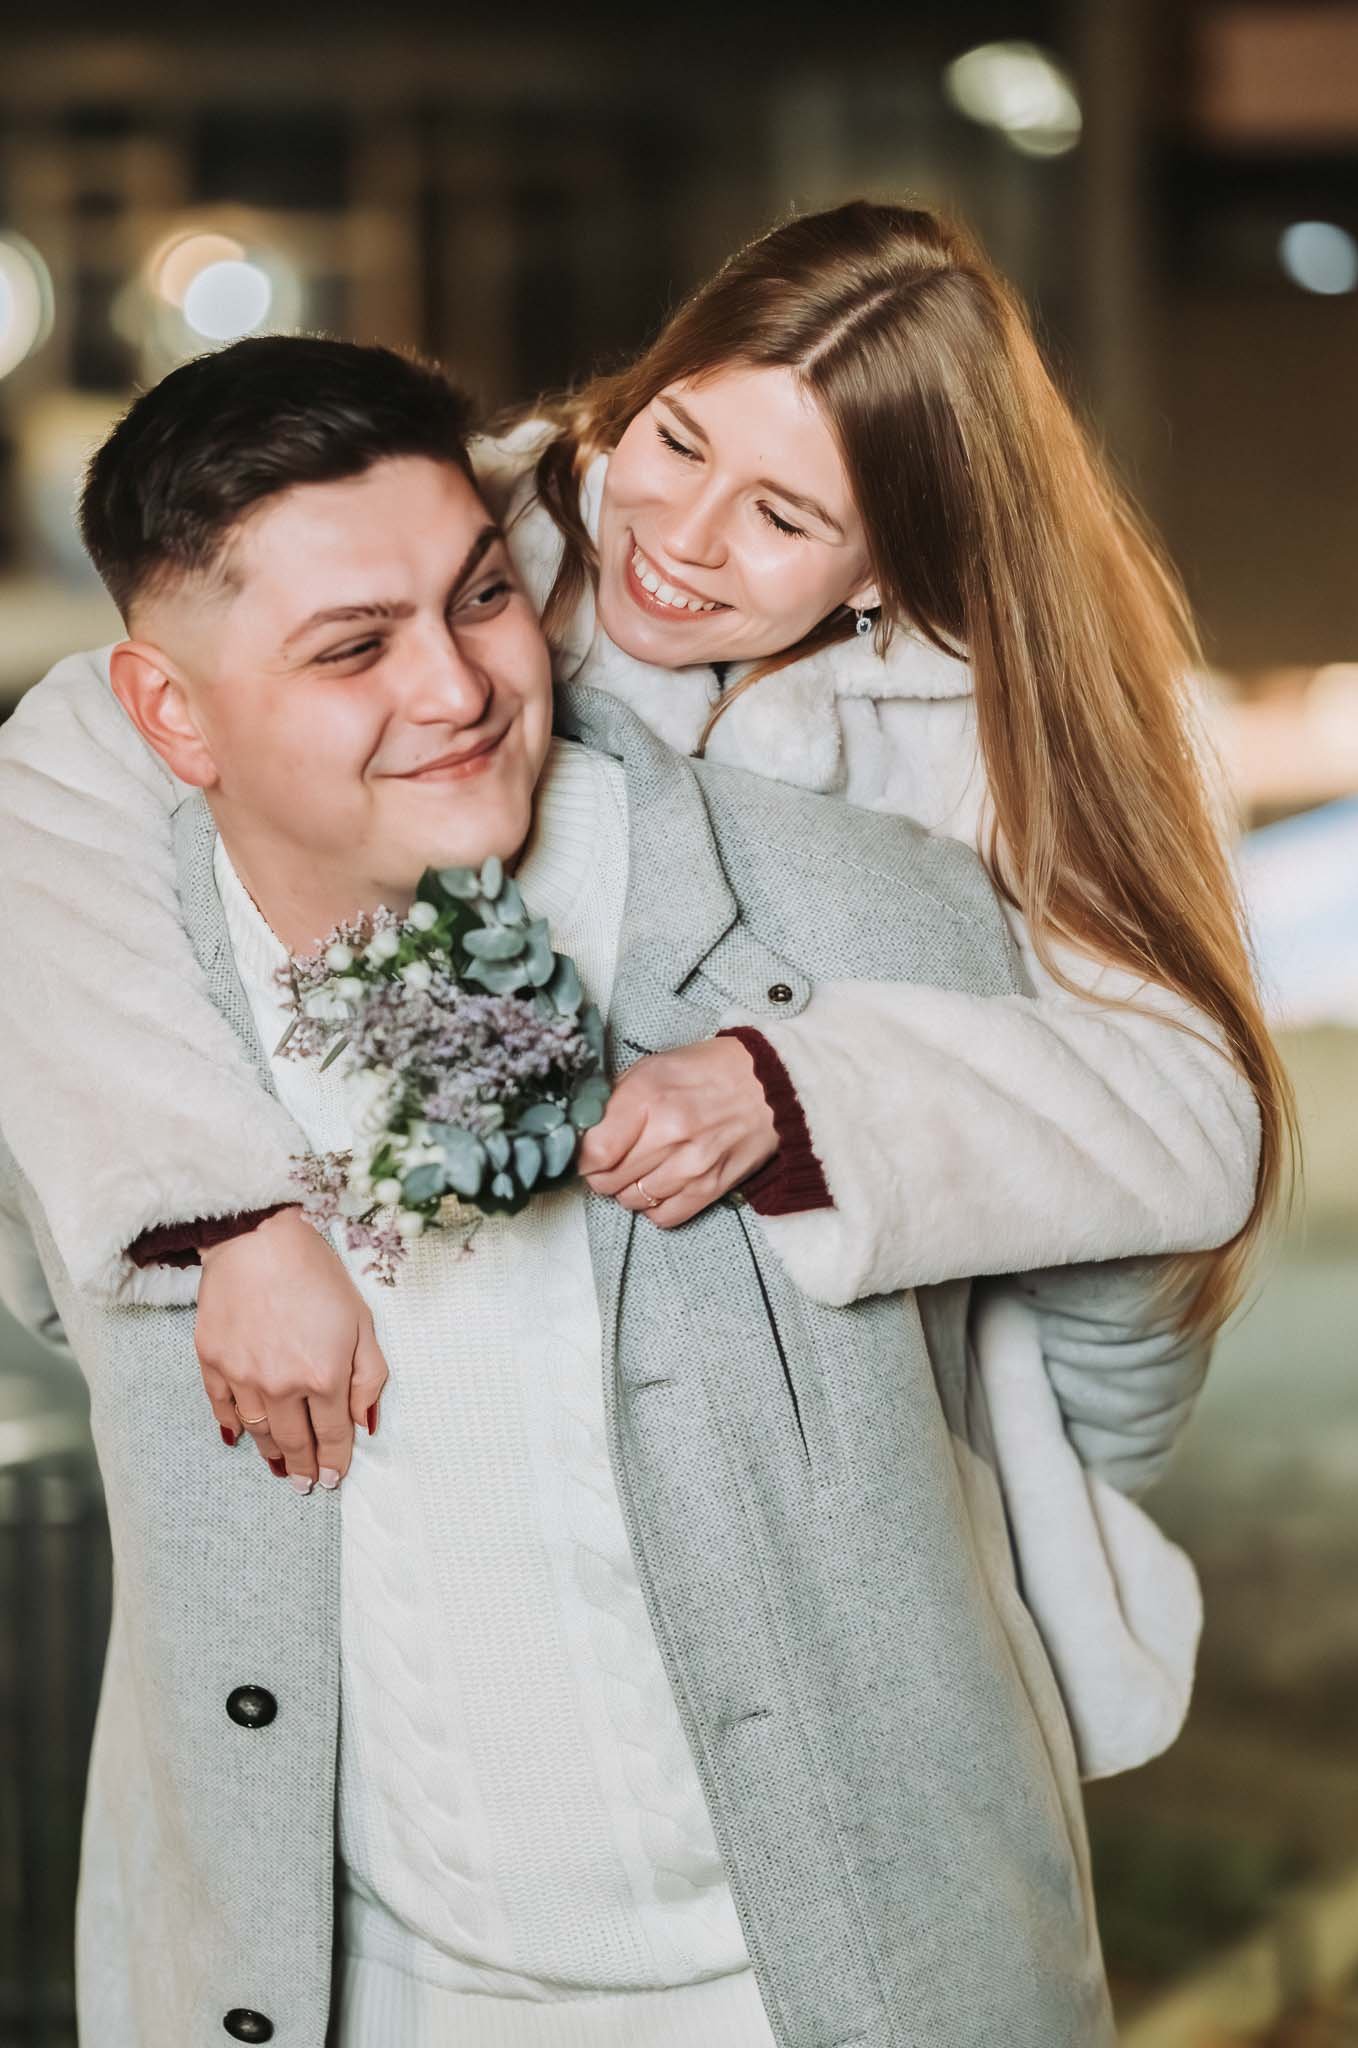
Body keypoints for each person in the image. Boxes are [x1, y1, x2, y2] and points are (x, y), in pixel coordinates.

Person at [0, 336, 1202, 2048]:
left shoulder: (864, 917)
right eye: (354, 647)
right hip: (350, 1997)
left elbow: (1121, 1297)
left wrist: (980, 1563)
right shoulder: (81, 999)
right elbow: (58, 1294)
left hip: (828, 1994)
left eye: (482, 598)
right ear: (169, 713)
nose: (457, 689)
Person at [0, 202, 1285, 1506]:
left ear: (887, 567)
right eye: (677, 439)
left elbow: (1187, 1115)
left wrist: (803, 1093)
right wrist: (227, 1209)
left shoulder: (1003, 732)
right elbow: (57, 774)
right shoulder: (478, 519)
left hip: (887, 1460)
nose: (679, 536)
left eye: (782, 516)